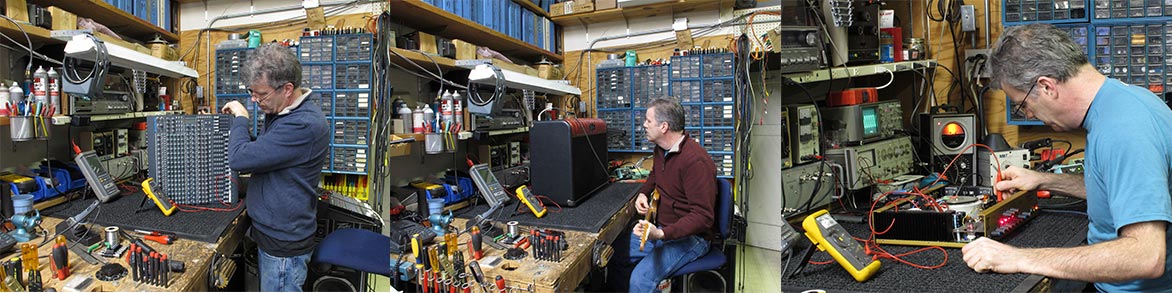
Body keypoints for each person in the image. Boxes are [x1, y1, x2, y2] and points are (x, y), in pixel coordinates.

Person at [961, 23, 1172, 292]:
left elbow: (1145, 257)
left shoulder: (1123, 130)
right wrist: (1043, 181)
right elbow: (1122, 191)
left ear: (1047, 86)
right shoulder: (1125, 100)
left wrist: (1017, 257)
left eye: (1023, 104)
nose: (1027, 114)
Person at [221, 44, 330, 292]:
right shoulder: (281, 112)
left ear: (287, 89)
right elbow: (265, 153)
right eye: (251, 92)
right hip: (272, 233)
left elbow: (238, 159)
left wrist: (241, 118)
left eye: (261, 94)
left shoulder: (302, 124)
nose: (254, 100)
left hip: (283, 245)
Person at [613, 97, 717, 292]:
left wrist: (660, 234)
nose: (644, 124)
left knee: (640, 279)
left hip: (692, 238)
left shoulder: (695, 162)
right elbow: (655, 175)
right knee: (615, 254)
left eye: (648, 120)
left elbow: (703, 218)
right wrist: (643, 194)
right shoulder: (662, 149)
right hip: (663, 230)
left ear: (664, 127)